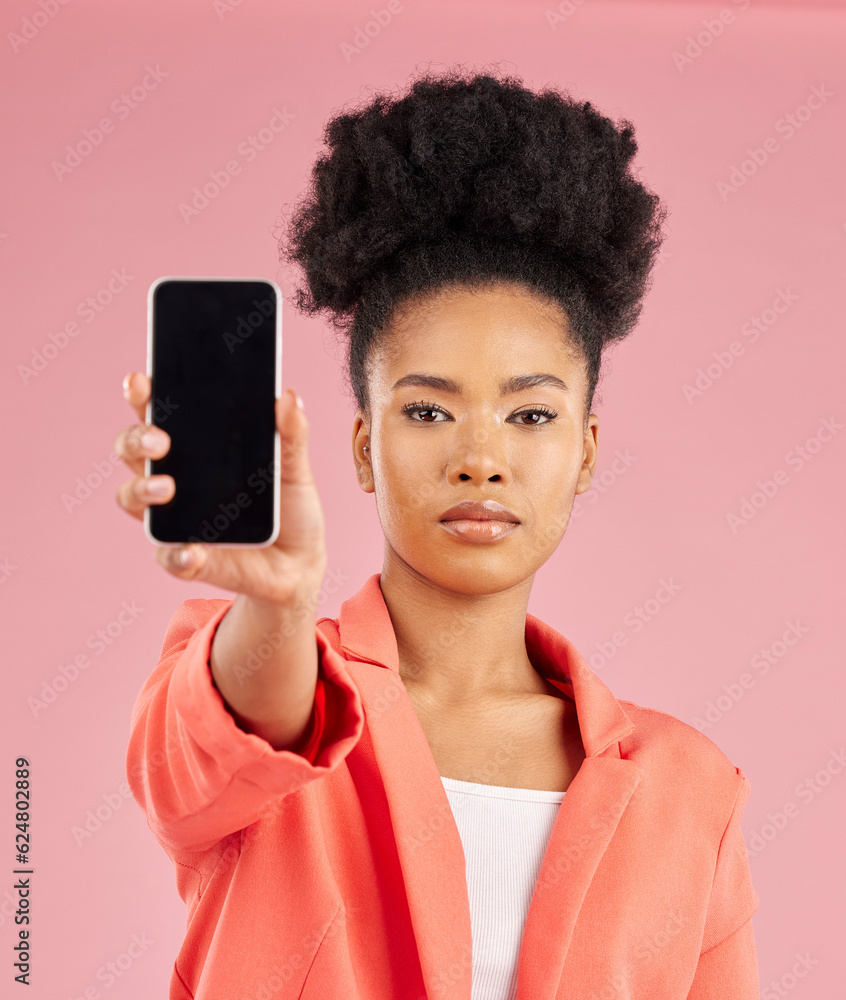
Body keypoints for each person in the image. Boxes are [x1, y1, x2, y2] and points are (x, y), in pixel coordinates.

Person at [117, 66, 760, 1000]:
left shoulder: (691, 793)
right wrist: (280, 607)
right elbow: (235, 727)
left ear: (585, 451)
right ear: (364, 446)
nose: (480, 459)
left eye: (530, 418)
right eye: (427, 413)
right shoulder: (267, 687)